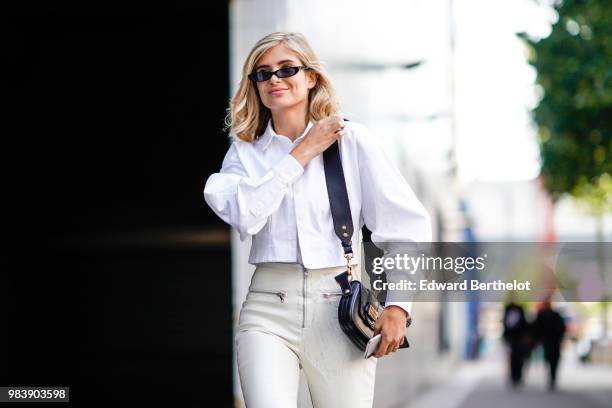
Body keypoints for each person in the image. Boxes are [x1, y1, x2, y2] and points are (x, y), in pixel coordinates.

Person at [203, 31, 431, 408]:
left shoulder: (352, 140)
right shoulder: (245, 155)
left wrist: (398, 305)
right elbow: (247, 216)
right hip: (267, 310)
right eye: (263, 74)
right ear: (255, 86)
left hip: (338, 308)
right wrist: (301, 153)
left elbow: (406, 225)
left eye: (286, 69)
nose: (274, 79)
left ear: (311, 77)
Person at [532, 300, 566, 390]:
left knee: (554, 361)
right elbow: (536, 328)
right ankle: (551, 378)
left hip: (554, 342)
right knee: (549, 360)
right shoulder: (542, 315)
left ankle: (552, 378)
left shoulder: (555, 315)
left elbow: (562, 328)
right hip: (547, 342)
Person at [502, 301, 529, 388]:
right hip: (511, 339)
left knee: (519, 358)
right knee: (512, 358)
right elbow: (505, 325)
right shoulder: (508, 310)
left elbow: (524, 325)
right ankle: (513, 376)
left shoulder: (520, 310)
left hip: (519, 340)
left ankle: (518, 376)